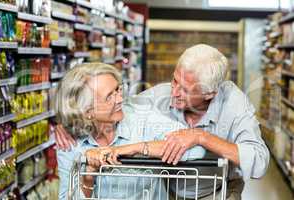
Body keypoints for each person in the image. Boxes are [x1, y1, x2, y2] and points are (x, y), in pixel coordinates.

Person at [56, 44, 270, 200]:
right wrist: (67, 123)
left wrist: (200, 137)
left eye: (185, 90)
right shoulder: (157, 97)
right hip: (172, 191)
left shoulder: (233, 103)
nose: (173, 92)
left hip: (214, 191)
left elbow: (259, 163)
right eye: (174, 80)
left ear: (209, 93)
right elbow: (118, 106)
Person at [55, 63, 205, 200]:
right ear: (87, 111)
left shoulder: (141, 117)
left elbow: (196, 150)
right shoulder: (70, 142)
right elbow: (66, 197)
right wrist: (89, 174)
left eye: (118, 90)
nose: (120, 99)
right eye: (109, 96)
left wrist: (134, 148)